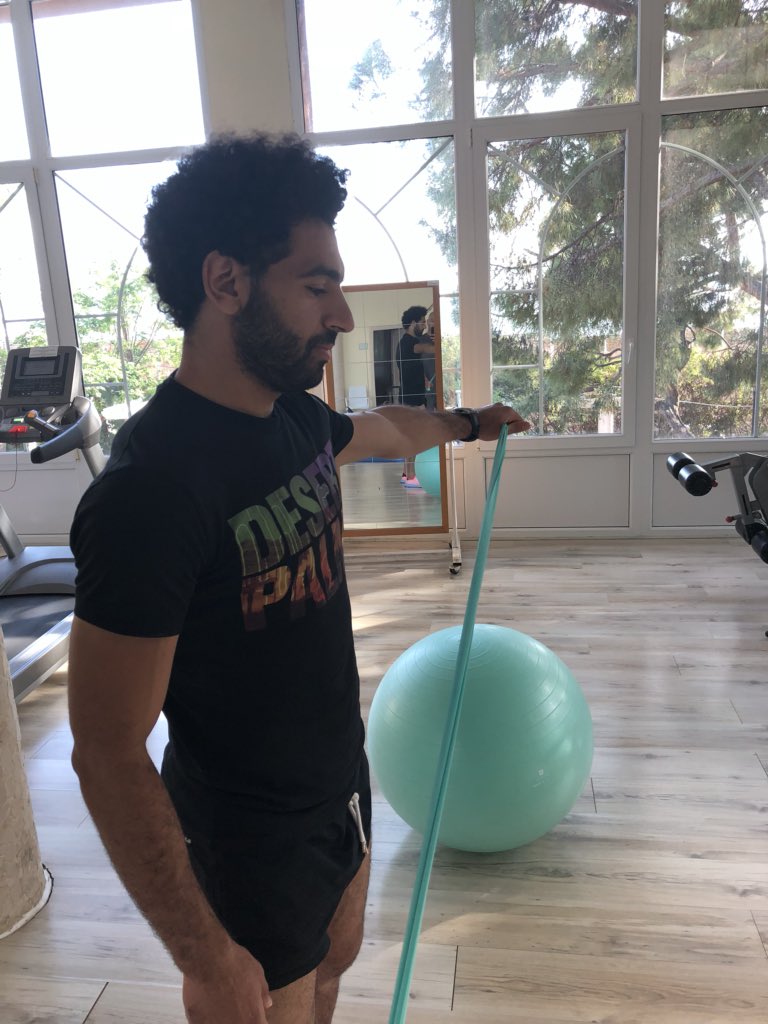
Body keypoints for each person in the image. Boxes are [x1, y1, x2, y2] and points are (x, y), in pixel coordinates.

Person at [67, 132, 530, 1024]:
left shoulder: (291, 416)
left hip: (338, 783)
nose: (344, 316)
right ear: (226, 282)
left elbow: (382, 431)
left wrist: (467, 422)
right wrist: (204, 955)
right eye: (317, 286)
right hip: (248, 844)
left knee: (331, 969)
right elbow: (107, 751)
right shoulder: (151, 493)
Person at [395, 305, 435, 486]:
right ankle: (410, 476)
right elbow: (429, 348)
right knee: (415, 437)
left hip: (410, 396)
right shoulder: (408, 343)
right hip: (412, 398)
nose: (425, 325)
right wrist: (437, 336)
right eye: (423, 322)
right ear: (413, 323)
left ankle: (408, 474)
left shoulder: (405, 343)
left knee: (411, 436)